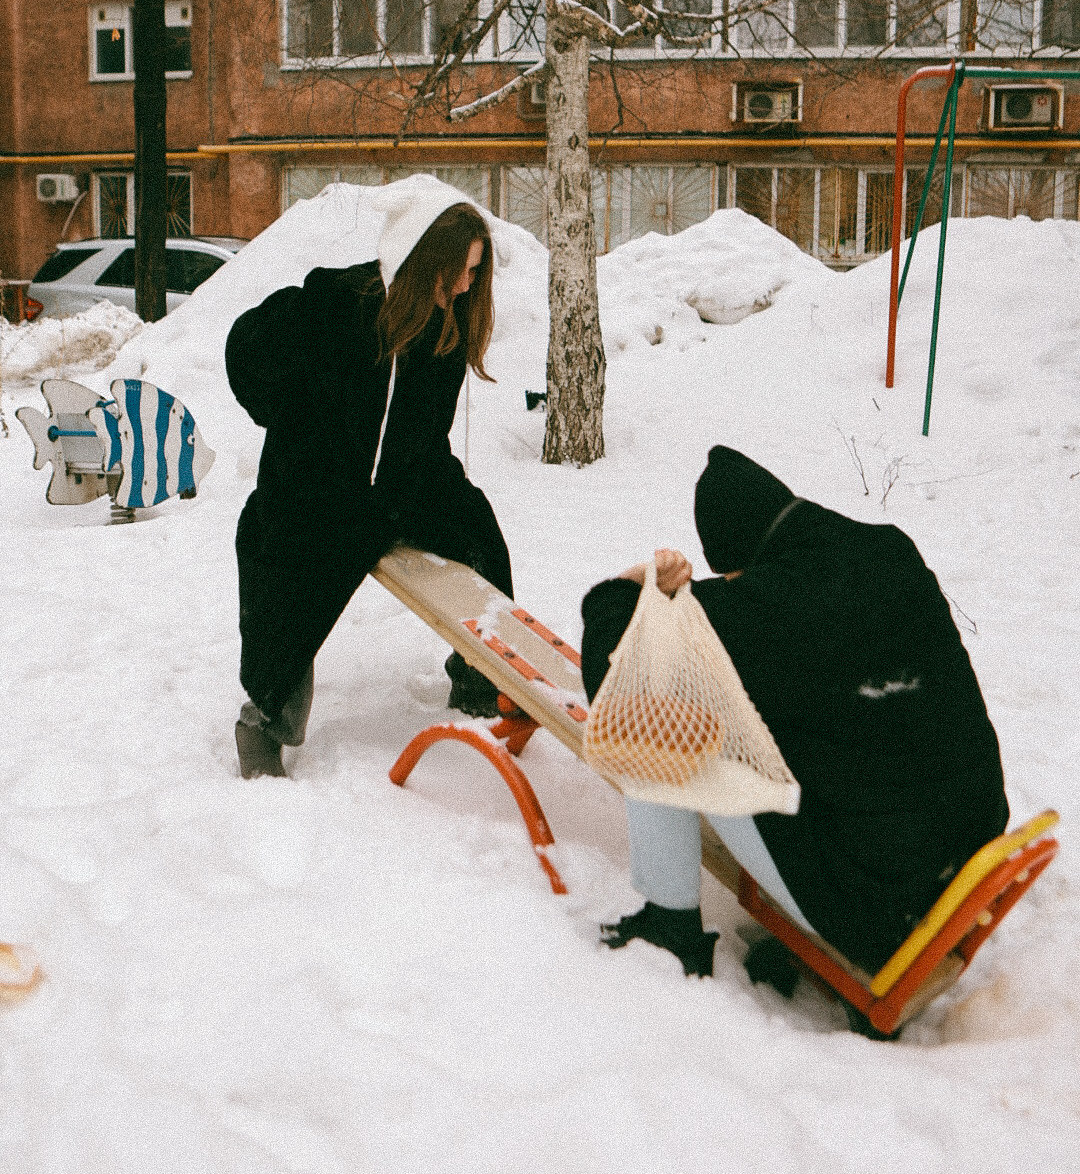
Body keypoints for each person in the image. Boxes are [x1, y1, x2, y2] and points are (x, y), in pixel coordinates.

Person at [580, 446, 1009, 984]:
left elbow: (611, 672)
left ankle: (670, 923)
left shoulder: (769, 605)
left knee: (655, 719)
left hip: (876, 905)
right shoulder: (889, 551)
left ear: (741, 560)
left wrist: (628, 585)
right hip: (967, 852)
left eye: (730, 575)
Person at [226, 180, 513, 779]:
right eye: (460, 270)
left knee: (481, 537)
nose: (466, 285)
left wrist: (430, 486)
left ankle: (480, 680)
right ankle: (265, 721)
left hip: (404, 483)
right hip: (318, 485)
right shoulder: (335, 302)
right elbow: (246, 348)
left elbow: (425, 432)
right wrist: (290, 424)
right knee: (293, 581)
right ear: (422, 258)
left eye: (475, 273)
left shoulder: (446, 327)